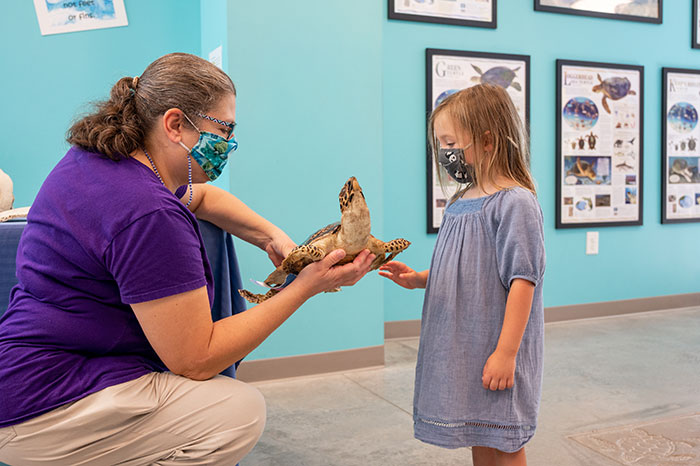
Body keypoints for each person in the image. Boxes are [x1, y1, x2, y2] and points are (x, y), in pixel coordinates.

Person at [0, 52, 375, 466]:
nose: (228, 145)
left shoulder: (98, 163)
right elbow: (196, 358)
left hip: (23, 371)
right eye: (224, 129)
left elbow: (205, 198)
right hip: (39, 407)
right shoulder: (148, 211)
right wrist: (305, 287)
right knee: (236, 411)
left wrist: (272, 236)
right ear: (175, 124)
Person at [379, 84, 545, 466]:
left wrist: (506, 354)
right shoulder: (460, 200)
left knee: (505, 440)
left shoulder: (515, 202)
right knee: (479, 431)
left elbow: (523, 281)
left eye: (451, 142)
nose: (444, 153)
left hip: (494, 343)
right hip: (463, 346)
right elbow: (467, 267)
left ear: (487, 141)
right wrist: (421, 277)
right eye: (440, 144)